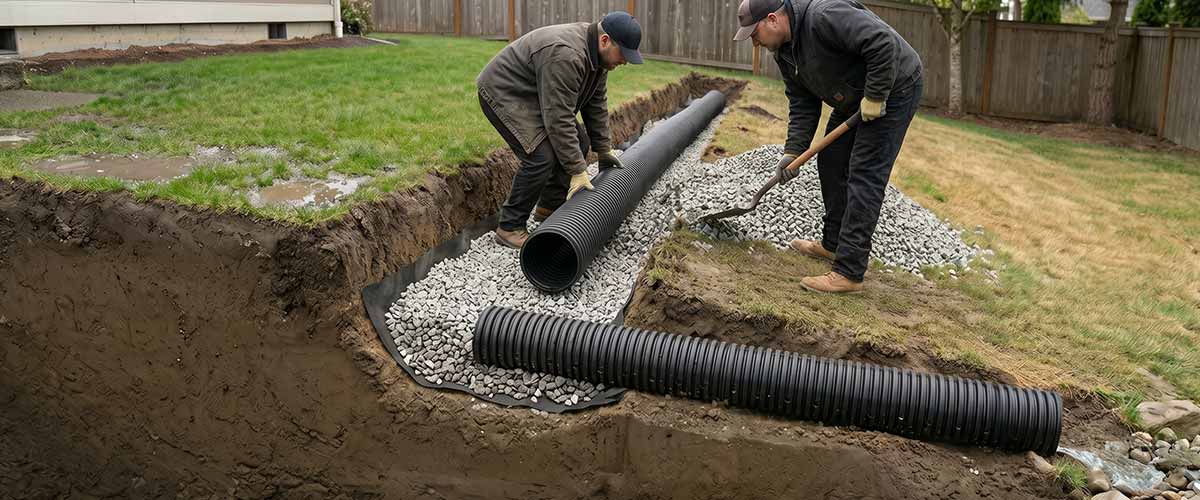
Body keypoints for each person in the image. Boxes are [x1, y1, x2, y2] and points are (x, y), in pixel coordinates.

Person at [733, 0, 924, 293]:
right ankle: (833, 244)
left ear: (772, 19)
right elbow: (802, 102)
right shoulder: (784, 51)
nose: (754, 43)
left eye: (754, 33)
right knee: (832, 160)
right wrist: (793, 152)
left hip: (894, 85)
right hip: (853, 95)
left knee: (864, 173)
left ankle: (849, 272)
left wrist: (875, 96)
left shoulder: (825, 16)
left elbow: (882, 42)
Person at [476, 11, 644, 249]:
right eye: (623, 54)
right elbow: (558, 118)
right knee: (540, 156)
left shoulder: (599, 58)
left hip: (536, 92)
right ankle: (509, 227)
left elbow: (595, 105)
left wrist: (604, 149)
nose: (625, 61)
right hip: (505, 91)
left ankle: (548, 208)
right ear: (605, 40)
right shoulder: (567, 54)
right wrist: (577, 169)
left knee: (580, 142)